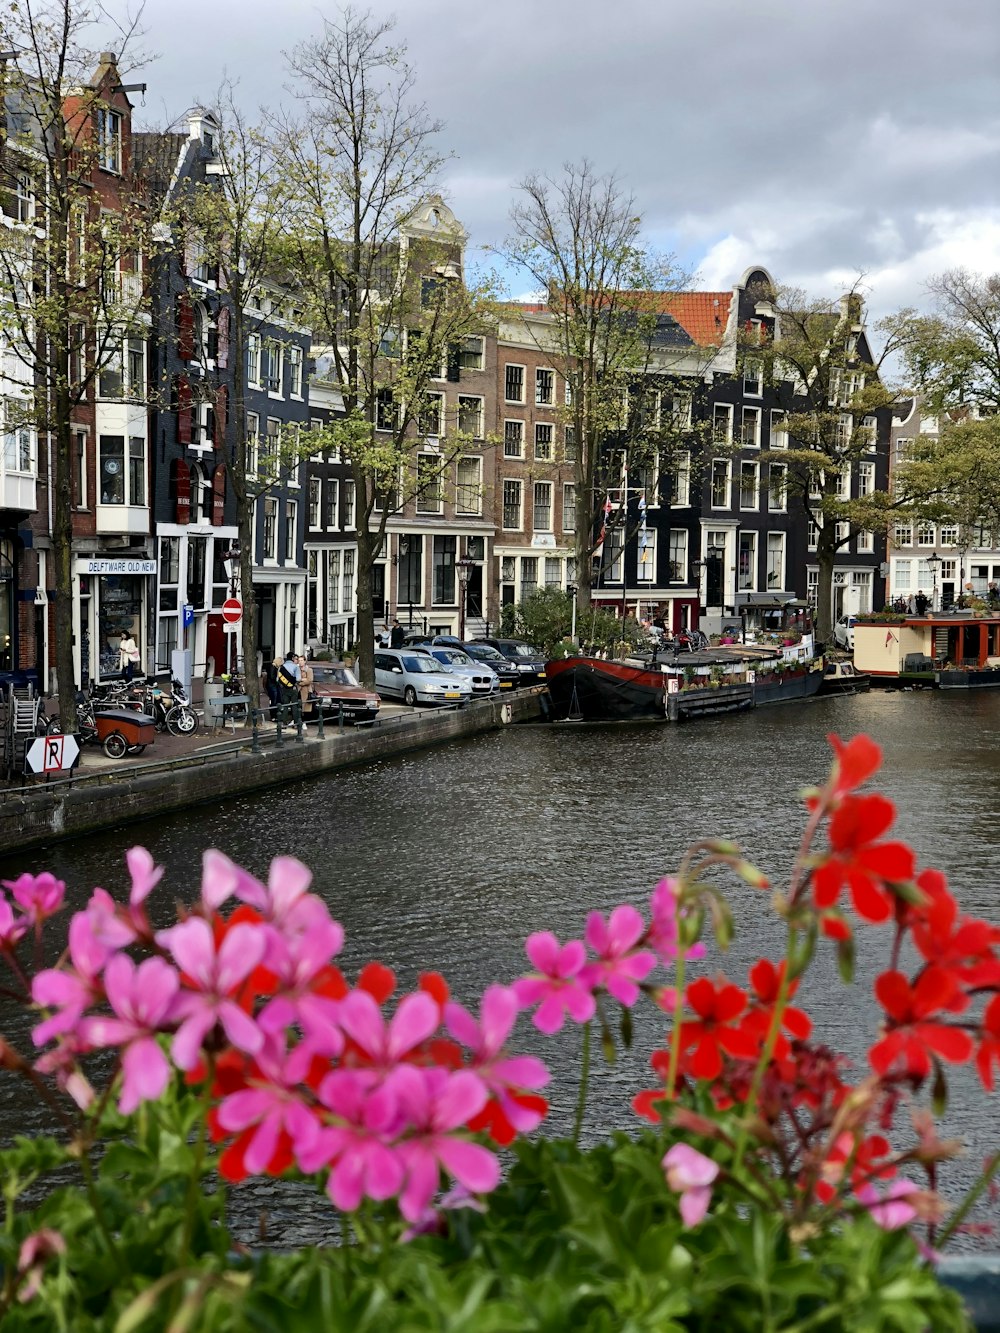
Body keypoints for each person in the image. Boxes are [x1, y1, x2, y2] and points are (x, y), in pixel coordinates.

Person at [275, 652, 300, 723]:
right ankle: (295, 722)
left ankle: (284, 722)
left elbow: (277, 679)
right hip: (293, 688)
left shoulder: (281, 667)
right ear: (292, 658)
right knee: (294, 705)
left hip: (284, 689)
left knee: (285, 705)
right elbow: (298, 679)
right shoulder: (296, 667)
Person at [297, 654, 314, 719]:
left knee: (305, 707)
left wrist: (300, 681)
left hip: (306, 690)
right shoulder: (297, 669)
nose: (300, 662)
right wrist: (303, 679)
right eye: (299, 660)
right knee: (297, 705)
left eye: (301, 660)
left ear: (305, 661)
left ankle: (303, 721)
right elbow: (295, 679)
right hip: (298, 690)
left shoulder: (309, 670)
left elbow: (309, 680)